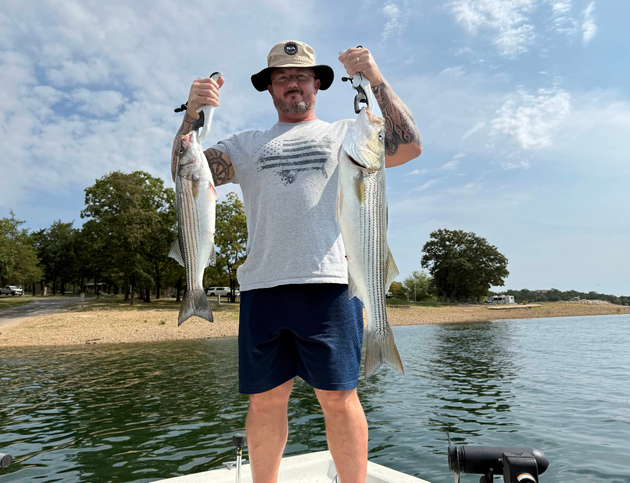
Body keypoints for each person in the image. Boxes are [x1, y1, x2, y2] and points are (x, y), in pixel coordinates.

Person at [171, 40, 422, 483]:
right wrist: (193, 112)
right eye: (282, 77)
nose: (293, 83)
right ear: (269, 88)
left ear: (318, 84)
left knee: (339, 399)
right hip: (262, 288)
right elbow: (185, 169)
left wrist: (375, 78)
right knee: (264, 402)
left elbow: (409, 145)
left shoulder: (349, 132)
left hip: (331, 286)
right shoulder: (245, 145)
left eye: (302, 75)